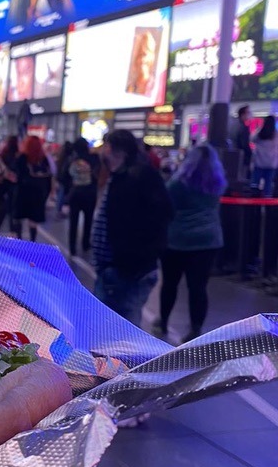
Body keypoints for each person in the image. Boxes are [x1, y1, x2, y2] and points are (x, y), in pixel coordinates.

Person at [92, 129, 173, 326]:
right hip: (115, 268)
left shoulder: (139, 177)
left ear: (113, 149)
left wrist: (133, 259)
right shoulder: (120, 176)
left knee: (121, 328)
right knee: (106, 325)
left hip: (127, 270)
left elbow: (161, 216)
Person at [153, 145, 226, 342]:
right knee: (198, 287)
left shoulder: (178, 184)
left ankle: (163, 321)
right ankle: (196, 329)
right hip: (208, 241)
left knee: (170, 284)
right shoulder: (217, 183)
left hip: (178, 240)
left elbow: (165, 206)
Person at [13, 135, 52, 242]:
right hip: (38, 193)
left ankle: (19, 240)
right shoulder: (43, 159)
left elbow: (17, 175)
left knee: (19, 217)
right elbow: (49, 177)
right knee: (33, 221)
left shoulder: (22, 158)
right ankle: (32, 242)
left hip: (23, 192)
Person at [67, 137, 100, 257]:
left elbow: (66, 175)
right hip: (89, 192)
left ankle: (72, 247)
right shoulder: (94, 158)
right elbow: (97, 174)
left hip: (75, 192)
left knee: (73, 221)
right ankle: (85, 243)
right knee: (88, 219)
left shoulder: (72, 159)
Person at [251, 114, 278, 196]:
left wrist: (259, 128)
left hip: (259, 162)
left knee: (255, 183)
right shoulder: (276, 135)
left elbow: (251, 139)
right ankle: (267, 200)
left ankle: (254, 200)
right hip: (271, 163)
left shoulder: (259, 133)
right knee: (268, 184)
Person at [54, 141, 74, 217]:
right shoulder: (70, 158)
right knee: (63, 194)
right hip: (66, 179)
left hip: (61, 178)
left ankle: (59, 210)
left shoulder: (62, 157)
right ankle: (60, 210)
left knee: (61, 194)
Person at [234, 104, 252, 175]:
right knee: (242, 175)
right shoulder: (243, 127)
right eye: (248, 112)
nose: (250, 114)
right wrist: (249, 154)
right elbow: (244, 144)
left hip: (234, 156)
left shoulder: (234, 124)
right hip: (242, 157)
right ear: (243, 114)